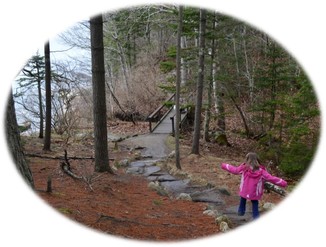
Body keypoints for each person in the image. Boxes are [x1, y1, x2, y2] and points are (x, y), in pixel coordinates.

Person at [221, 152, 287, 219]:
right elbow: (271, 178)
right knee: (255, 203)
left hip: (244, 190)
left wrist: (224, 165)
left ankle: (240, 212)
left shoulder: (244, 168)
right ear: (257, 160)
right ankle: (256, 217)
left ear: (247, 159)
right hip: (254, 192)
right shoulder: (261, 171)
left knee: (243, 199)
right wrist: (283, 182)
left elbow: (235, 170)